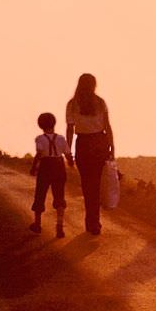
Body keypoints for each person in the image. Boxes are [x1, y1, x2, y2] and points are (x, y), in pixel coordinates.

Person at [66, 73, 115, 235]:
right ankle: (95, 221)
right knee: (99, 183)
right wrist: (112, 147)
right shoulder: (100, 103)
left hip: (83, 144)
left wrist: (68, 152)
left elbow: (70, 129)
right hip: (100, 143)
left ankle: (91, 222)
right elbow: (107, 126)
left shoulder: (73, 105)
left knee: (88, 185)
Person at [29, 112, 74, 238]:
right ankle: (59, 226)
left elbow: (39, 154)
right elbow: (67, 154)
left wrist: (34, 167)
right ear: (54, 123)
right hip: (59, 166)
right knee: (59, 195)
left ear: (40, 125)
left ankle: (37, 224)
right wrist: (70, 163)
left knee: (40, 194)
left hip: (46, 166)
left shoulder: (39, 139)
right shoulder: (61, 138)